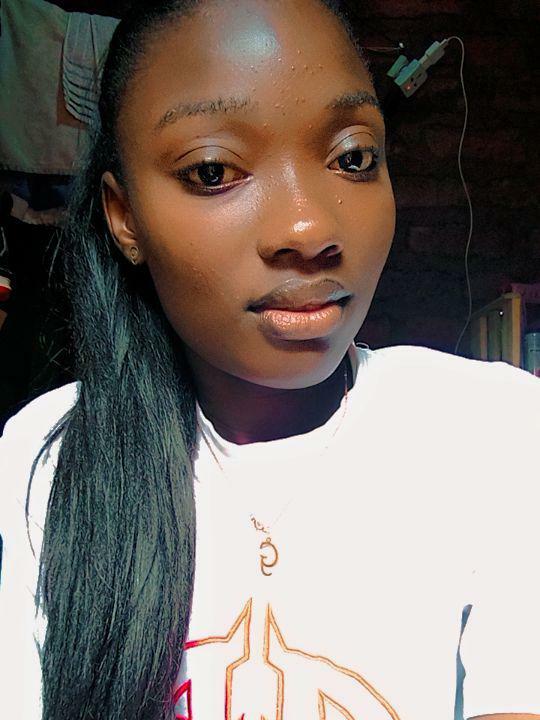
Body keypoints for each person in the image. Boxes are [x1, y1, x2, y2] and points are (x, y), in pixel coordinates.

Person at [0, 1, 539, 719]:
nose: (308, 227)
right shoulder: (50, 454)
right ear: (125, 218)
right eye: (213, 170)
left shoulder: (493, 431)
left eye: (353, 157)